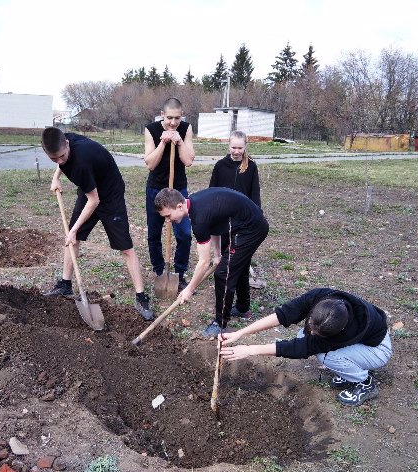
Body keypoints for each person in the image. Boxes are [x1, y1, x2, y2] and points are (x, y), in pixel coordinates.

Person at [41, 127, 153, 321]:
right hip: (89, 190)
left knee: (126, 248)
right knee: (73, 241)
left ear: (67, 144)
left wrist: (74, 229)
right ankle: (65, 285)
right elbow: (87, 194)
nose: (59, 161)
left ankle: (141, 297)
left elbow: (95, 201)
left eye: (61, 156)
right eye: (54, 159)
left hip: (110, 196)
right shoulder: (65, 142)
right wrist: (55, 177)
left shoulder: (81, 162)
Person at [220, 288, 393, 407]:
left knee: (325, 356)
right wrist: (241, 333)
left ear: (336, 331)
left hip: (376, 350)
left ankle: (364, 382)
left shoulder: (346, 333)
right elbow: (283, 315)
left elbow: (299, 348)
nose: (311, 330)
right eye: (311, 324)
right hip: (362, 341)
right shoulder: (322, 297)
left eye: (318, 333)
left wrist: (250, 350)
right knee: (305, 336)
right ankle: (350, 370)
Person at [154, 187, 269, 338]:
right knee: (236, 265)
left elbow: (203, 262)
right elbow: (215, 225)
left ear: (180, 206)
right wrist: (218, 254)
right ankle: (242, 308)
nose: (167, 220)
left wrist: (189, 288)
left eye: (168, 215)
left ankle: (220, 324)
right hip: (246, 223)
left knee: (223, 273)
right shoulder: (195, 203)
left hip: (251, 228)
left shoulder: (199, 219)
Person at [209, 130, 261, 320]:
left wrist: (255, 219)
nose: (236, 151)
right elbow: (212, 193)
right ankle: (237, 305)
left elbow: (255, 196)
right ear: (228, 145)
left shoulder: (251, 167)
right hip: (225, 224)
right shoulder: (220, 166)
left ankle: (242, 307)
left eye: (240, 147)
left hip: (244, 225)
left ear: (245, 146)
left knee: (239, 265)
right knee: (229, 263)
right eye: (233, 147)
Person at [144, 98, 195, 292]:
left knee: (184, 234)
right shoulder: (151, 129)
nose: (174, 123)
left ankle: (179, 273)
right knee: (154, 233)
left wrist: (180, 142)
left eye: (177, 118)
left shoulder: (186, 128)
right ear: (162, 114)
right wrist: (163, 143)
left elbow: (188, 160)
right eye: (170, 118)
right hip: (156, 188)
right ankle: (160, 271)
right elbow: (150, 163)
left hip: (177, 190)